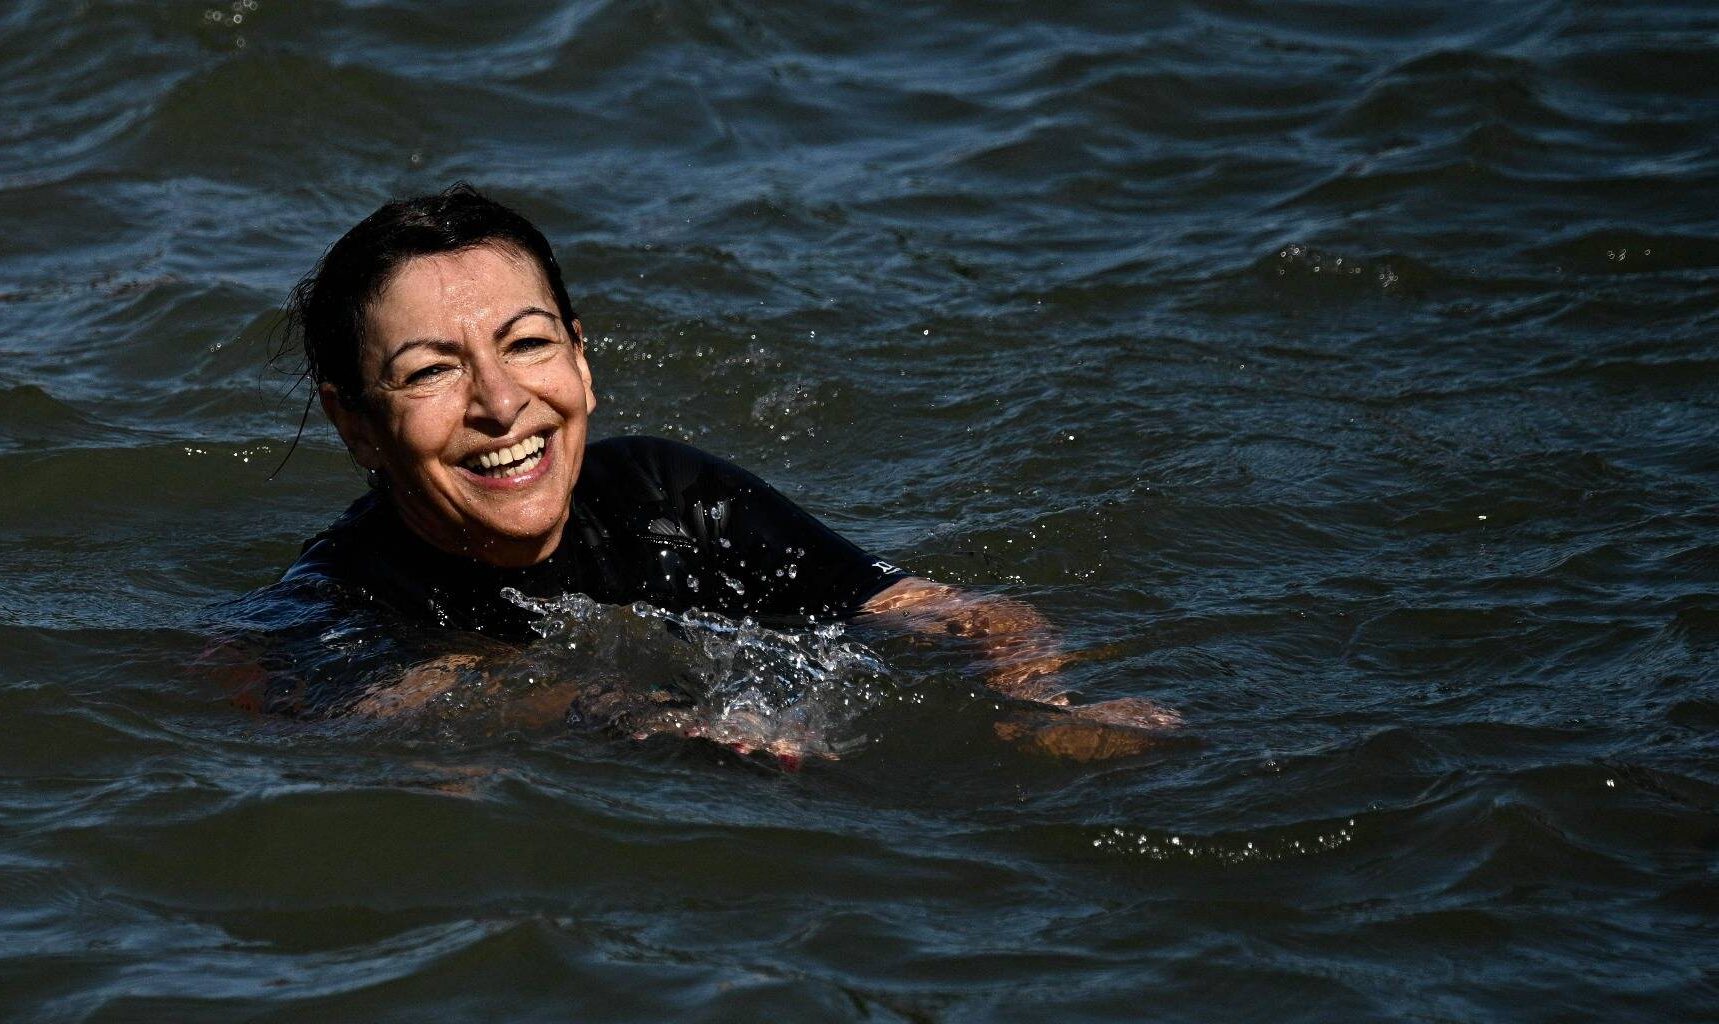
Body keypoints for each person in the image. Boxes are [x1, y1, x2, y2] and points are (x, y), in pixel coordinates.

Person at [269, 184, 1175, 760]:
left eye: (528, 345)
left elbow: (933, 608)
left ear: (581, 362)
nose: (501, 404)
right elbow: (387, 713)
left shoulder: (671, 501)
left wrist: (1038, 700)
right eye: (431, 371)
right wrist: (607, 710)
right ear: (355, 423)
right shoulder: (338, 602)